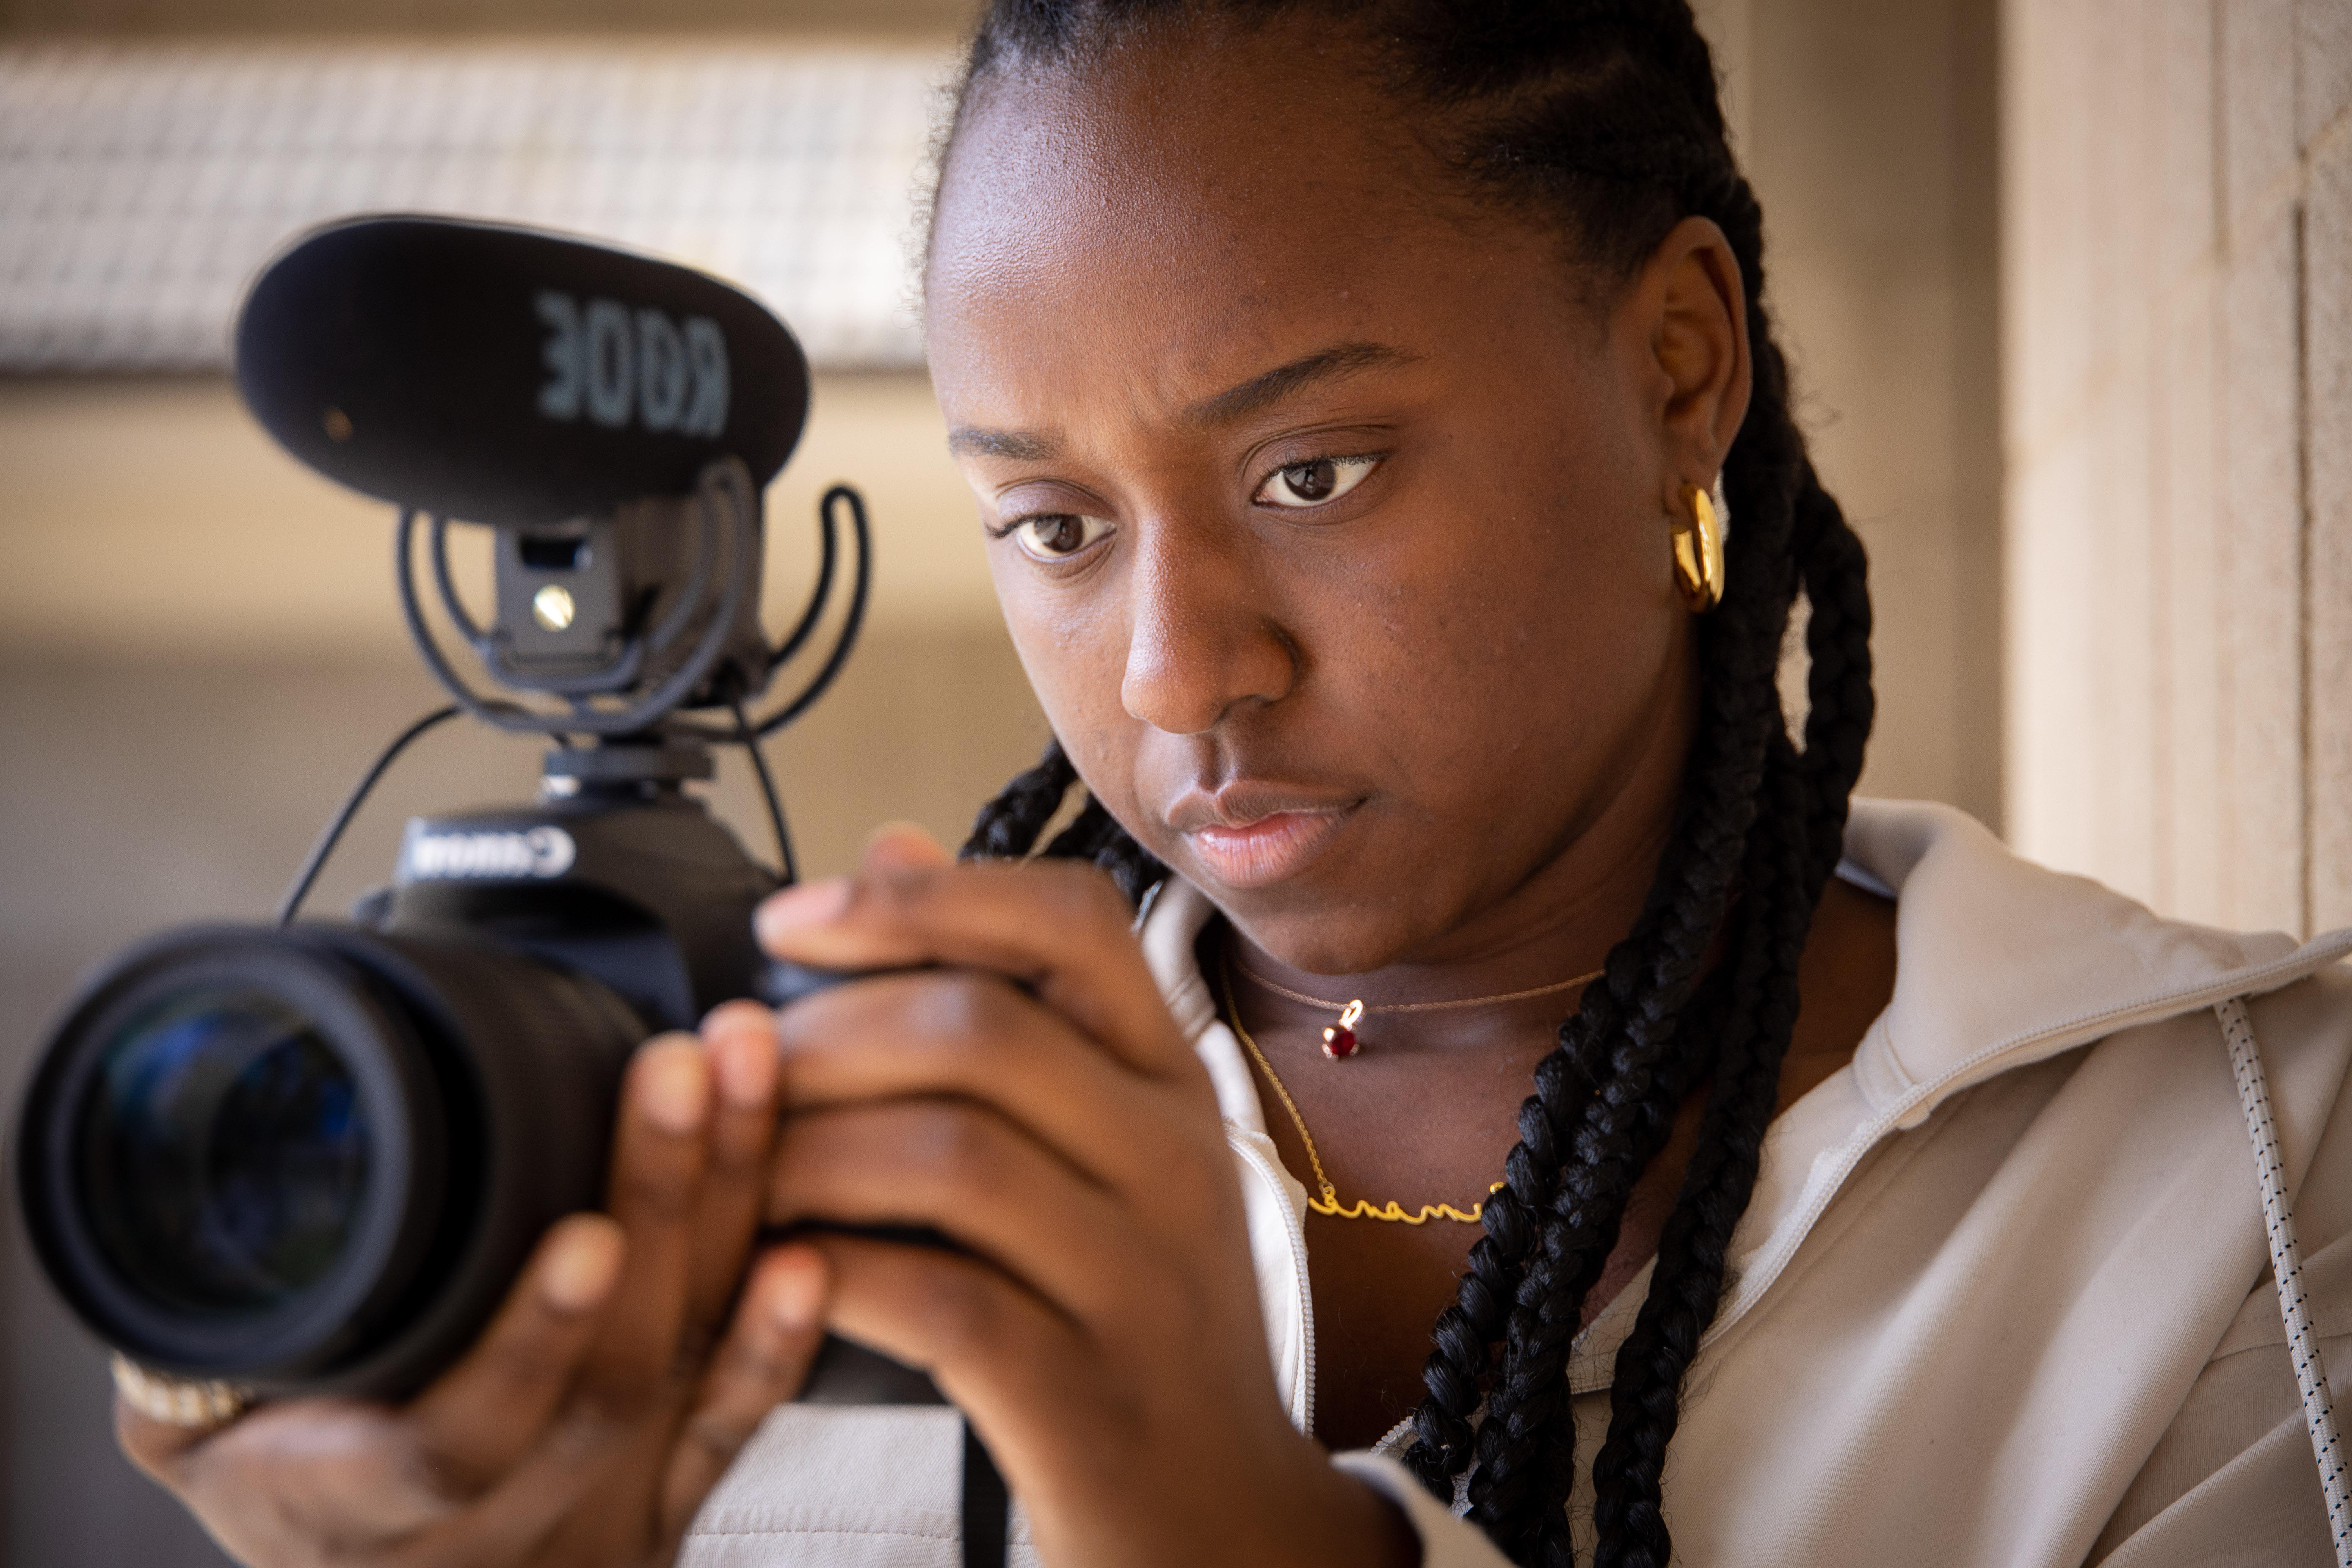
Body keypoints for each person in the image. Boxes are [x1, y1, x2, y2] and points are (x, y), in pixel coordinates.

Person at [114, 2, 2352, 1565]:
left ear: (1679, 365)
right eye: (1056, 528)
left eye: (1315, 467)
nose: (1182, 670)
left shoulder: (2237, 1165)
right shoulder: (758, 1159)